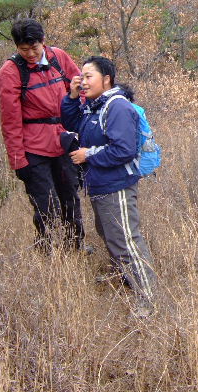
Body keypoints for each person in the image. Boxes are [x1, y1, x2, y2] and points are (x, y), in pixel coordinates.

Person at [61, 56, 156, 316]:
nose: (83, 82)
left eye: (88, 76)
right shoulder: (95, 106)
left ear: (106, 79)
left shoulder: (117, 107)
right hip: (100, 184)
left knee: (127, 241)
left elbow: (124, 150)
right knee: (110, 235)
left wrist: (88, 155)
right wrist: (71, 97)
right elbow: (71, 123)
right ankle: (124, 277)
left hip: (117, 185)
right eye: (81, 76)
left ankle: (147, 298)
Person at [0, 18, 85, 252]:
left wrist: (80, 124)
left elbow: (81, 88)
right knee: (46, 204)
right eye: (23, 49)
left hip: (64, 141)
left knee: (70, 196)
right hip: (34, 148)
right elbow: (10, 121)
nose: (31, 54)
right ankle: (46, 250)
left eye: (34, 48)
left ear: (43, 41)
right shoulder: (10, 73)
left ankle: (75, 246)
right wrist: (18, 161)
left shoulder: (58, 57)